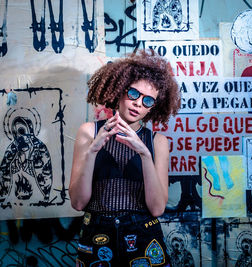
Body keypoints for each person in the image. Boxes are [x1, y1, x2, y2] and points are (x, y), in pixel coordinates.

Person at [69, 49, 180, 267]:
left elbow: (157, 209)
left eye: (148, 100)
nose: (139, 103)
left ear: (153, 107)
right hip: (97, 237)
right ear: (119, 90)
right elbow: (78, 203)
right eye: (133, 94)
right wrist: (93, 151)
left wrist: (145, 155)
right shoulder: (88, 132)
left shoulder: (157, 142)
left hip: (143, 236)